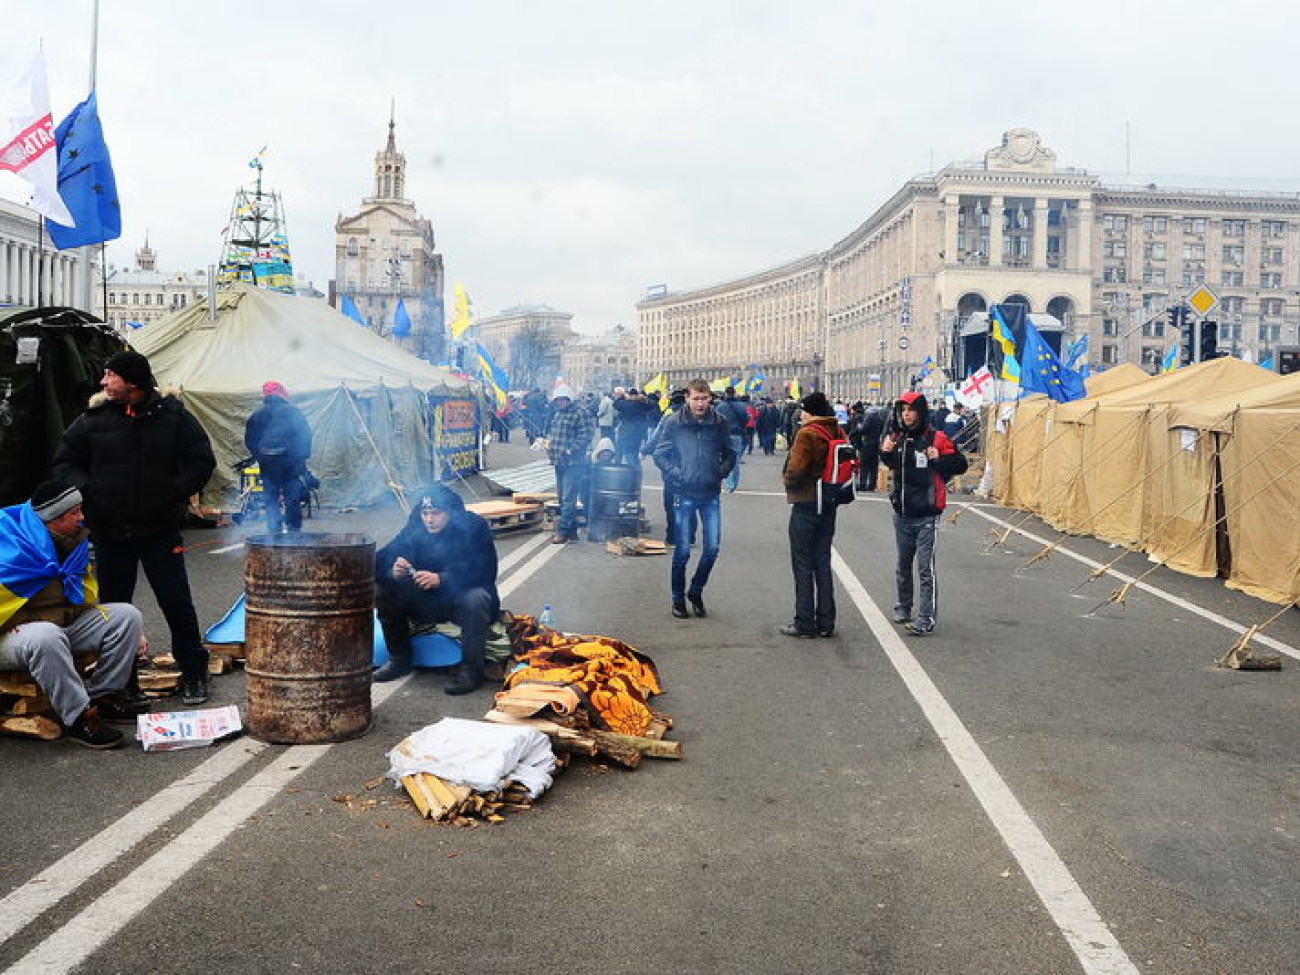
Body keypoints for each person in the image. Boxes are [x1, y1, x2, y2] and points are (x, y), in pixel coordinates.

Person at [53, 349, 217, 705]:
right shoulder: (94, 420)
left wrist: (174, 492)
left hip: (159, 530)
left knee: (176, 603)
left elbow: (202, 461)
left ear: (133, 383)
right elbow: (65, 462)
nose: (103, 381)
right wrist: (89, 492)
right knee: (114, 611)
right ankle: (123, 682)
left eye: (110, 375)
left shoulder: (174, 418)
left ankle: (194, 673)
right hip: (110, 532)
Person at [0, 482, 144, 748]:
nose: (82, 517)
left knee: (126, 616)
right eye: (75, 513)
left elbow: (82, 596)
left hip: (59, 626)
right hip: (11, 634)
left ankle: (104, 696)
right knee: (45, 635)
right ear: (54, 519)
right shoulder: (10, 545)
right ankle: (79, 717)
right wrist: (19, 622)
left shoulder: (72, 543)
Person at [372, 485, 499, 694]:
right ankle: (400, 659)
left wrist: (443, 579)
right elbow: (383, 557)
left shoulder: (473, 527)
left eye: (436, 513)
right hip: (426, 601)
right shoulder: (416, 527)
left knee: (476, 599)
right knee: (383, 591)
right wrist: (393, 571)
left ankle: (471, 671)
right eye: (425, 513)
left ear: (451, 513)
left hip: (458, 600)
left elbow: (485, 569)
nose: (429, 520)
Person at [879, 390, 967, 636]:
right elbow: (893, 464)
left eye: (911, 410)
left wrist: (938, 459)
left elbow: (960, 464)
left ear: (920, 411)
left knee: (925, 568)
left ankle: (926, 616)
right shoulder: (897, 436)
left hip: (926, 513)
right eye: (903, 410)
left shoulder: (935, 437)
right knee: (902, 564)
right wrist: (886, 453)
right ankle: (904, 606)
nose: (906, 415)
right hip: (902, 512)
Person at [652, 378, 735, 619]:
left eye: (704, 398)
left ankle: (695, 591)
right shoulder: (674, 422)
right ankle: (677, 599)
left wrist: (720, 472)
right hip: (684, 493)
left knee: (712, 548)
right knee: (683, 552)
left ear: (710, 398)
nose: (700, 403)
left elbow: (730, 453)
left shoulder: (719, 423)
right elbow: (660, 454)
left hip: (710, 493)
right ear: (687, 398)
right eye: (695, 398)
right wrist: (678, 474)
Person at [779, 393, 845, 639]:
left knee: (803, 564)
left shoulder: (807, 433)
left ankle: (804, 622)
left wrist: (787, 480)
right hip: (828, 503)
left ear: (811, 411)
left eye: (804, 410)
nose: (801, 414)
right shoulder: (836, 431)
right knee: (822, 563)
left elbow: (795, 470)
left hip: (806, 503)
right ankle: (826, 622)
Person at [243, 381, 313, 534]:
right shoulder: (293, 412)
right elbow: (305, 436)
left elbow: (250, 439)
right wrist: (300, 457)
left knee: (270, 497)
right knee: (292, 496)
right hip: (289, 462)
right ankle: (294, 531)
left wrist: (259, 455)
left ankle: (274, 530)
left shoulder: (257, 415)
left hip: (268, 463)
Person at [545, 384, 595, 544]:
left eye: (562, 400)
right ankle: (572, 531)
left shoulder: (581, 413)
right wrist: (548, 444)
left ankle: (562, 531)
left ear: (569, 399)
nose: (559, 403)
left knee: (568, 498)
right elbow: (555, 434)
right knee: (562, 497)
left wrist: (571, 449)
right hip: (559, 461)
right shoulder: (558, 414)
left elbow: (586, 435)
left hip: (574, 462)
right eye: (557, 400)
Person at [848, 402, 886, 492]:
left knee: (864, 465)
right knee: (873, 466)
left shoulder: (869, 417)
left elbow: (863, 430)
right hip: (876, 444)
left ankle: (863, 484)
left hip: (867, 444)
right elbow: (882, 429)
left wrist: (858, 428)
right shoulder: (879, 418)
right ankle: (872, 485)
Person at [717, 386, 748, 492]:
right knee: (735, 460)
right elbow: (745, 419)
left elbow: (715, 420)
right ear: (734, 393)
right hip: (736, 435)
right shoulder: (740, 406)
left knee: (723, 458)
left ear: (725, 394)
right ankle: (733, 484)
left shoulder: (721, 406)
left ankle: (727, 482)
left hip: (723, 435)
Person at [613, 387, 653, 466]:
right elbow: (651, 406)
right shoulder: (642, 404)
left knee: (624, 450)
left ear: (630, 395)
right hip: (639, 431)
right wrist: (644, 399)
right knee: (634, 451)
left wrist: (621, 396)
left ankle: (622, 467)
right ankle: (636, 469)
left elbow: (615, 404)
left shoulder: (626, 404)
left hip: (627, 431)